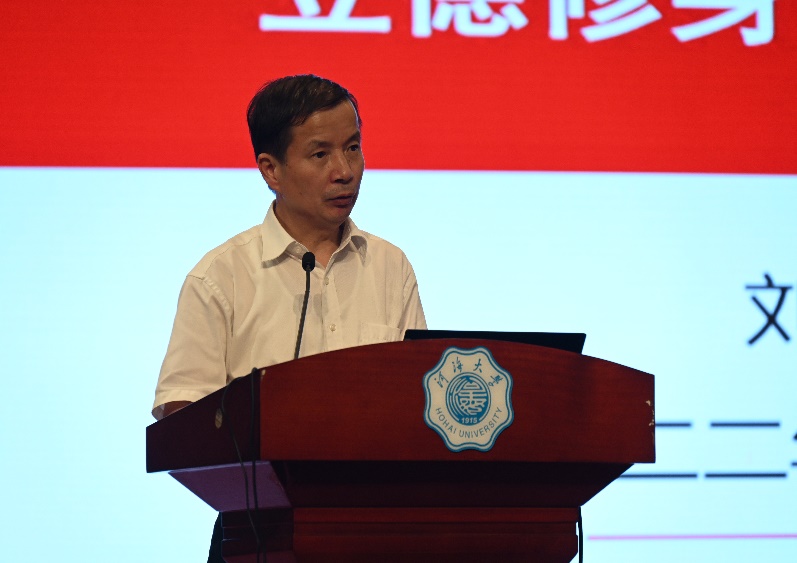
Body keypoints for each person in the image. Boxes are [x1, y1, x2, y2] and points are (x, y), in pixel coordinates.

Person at [151, 74, 426, 561]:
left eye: (353, 148)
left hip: (375, 529)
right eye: (320, 154)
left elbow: (419, 398)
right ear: (271, 170)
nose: (345, 171)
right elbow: (182, 411)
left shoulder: (390, 266)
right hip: (258, 533)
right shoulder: (221, 277)